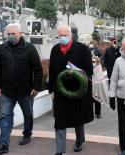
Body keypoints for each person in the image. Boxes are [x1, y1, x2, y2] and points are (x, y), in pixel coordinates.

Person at [0, 23, 43, 154]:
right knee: (5, 116)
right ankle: (3, 144)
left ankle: (27, 134)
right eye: (8, 34)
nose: (10, 36)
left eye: (13, 33)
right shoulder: (2, 48)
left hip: (25, 91)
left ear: (20, 34)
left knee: (28, 114)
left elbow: (38, 69)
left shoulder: (30, 49)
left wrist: (36, 87)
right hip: (7, 91)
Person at [49, 25, 94, 155]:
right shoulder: (55, 50)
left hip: (77, 91)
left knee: (77, 118)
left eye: (65, 35)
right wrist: (51, 89)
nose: (62, 38)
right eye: (60, 36)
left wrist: (77, 72)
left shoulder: (82, 49)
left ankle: (79, 140)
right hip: (60, 91)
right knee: (60, 120)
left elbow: (89, 71)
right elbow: (52, 71)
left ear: (71, 35)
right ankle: (59, 150)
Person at [89, 43, 106, 119]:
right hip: (90, 82)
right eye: (90, 48)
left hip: (96, 82)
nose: (91, 49)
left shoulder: (98, 62)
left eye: (92, 47)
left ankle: (98, 113)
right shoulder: (87, 58)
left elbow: (100, 75)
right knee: (89, 99)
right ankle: (90, 113)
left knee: (97, 98)